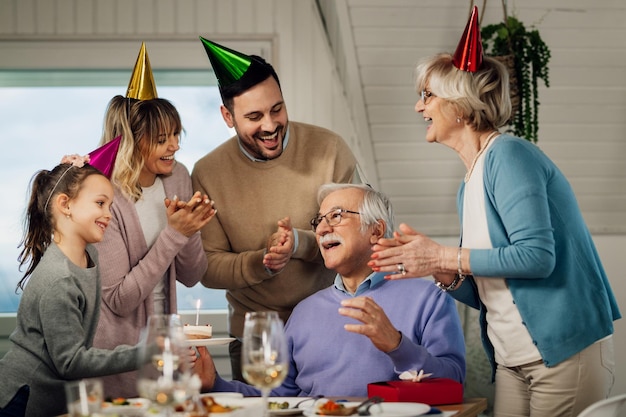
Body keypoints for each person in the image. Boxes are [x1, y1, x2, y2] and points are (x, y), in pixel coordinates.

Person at [368, 7, 621, 417]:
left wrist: (443, 255)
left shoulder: (509, 155)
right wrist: (442, 272)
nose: (419, 108)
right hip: (512, 360)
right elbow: (494, 287)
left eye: (428, 96)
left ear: (460, 106)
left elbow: (537, 257)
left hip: (561, 354)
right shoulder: (469, 183)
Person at [192, 183, 465, 397]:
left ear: (376, 230)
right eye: (319, 220)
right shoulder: (305, 311)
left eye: (336, 216)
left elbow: (454, 383)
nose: (322, 229)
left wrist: (396, 345)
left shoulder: (428, 298)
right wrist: (216, 384)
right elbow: (277, 396)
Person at [192, 38, 360, 381]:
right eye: (254, 116)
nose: (270, 126)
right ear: (227, 116)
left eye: (277, 109)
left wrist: (298, 244)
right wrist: (261, 263)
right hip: (256, 339)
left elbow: (359, 242)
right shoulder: (208, 173)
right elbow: (207, 267)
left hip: (334, 327)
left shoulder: (329, 149)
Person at [92, 42, 216, 398]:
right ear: (132, 141)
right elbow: (119, 299)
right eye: (162, 139)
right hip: (122, 361)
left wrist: (189, 230)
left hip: (169, 353)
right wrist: (174, 234)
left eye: (176, 134)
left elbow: (193, 276)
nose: (174, 145)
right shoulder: (105, 197)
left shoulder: (177, 177)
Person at [0, 152, 141, 417]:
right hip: (21, 400)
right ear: (65, 204)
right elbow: (71, 362)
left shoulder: (91, 256)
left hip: (51, 400)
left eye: (109, 205)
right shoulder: (59, 280)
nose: (108, 214)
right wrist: (144, 353)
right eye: (100, 203)